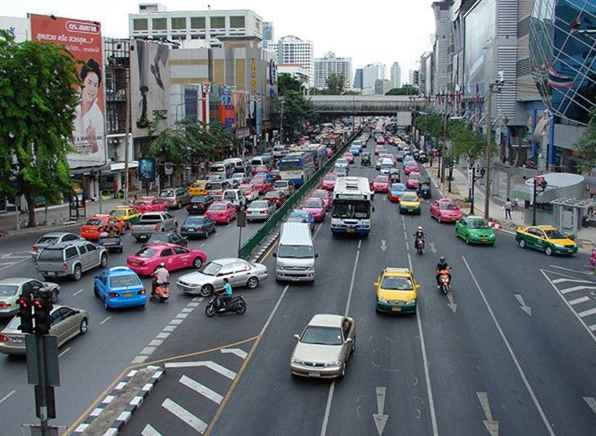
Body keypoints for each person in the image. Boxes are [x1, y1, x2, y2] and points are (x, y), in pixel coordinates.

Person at [73, 59, 104, 158]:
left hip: (89, 166)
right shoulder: (69, 106)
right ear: (82, 82)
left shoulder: (97, 115)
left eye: (95, 85)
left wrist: (93, 143)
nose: (92, 88)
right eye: (89, 82)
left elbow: (100, 155)